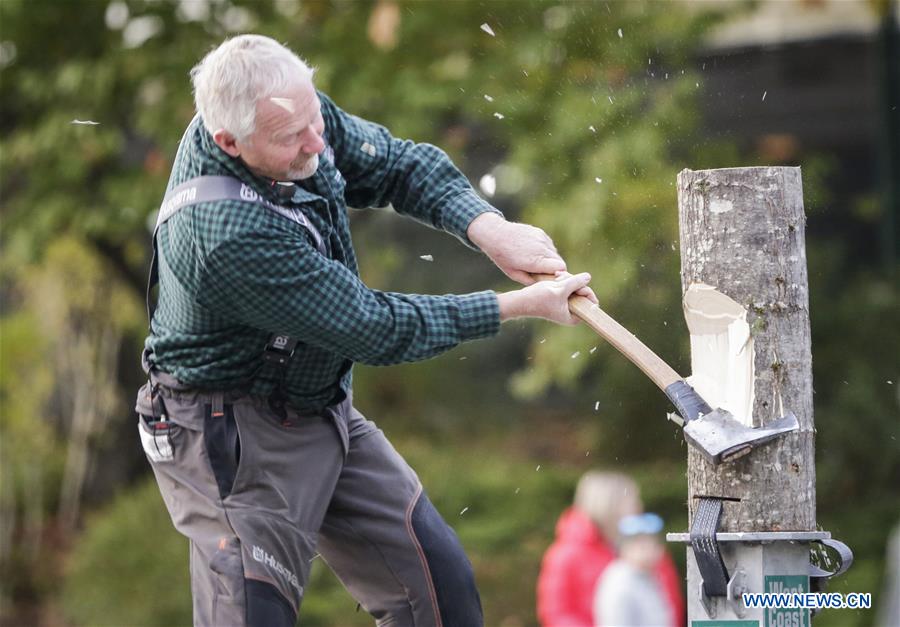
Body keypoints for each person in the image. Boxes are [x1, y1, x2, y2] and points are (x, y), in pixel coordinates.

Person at [135, 34, 597, 627]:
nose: (316, 143)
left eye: (313, 120)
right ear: (229, 140)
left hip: (317, 403)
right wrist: (517, 306)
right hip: (227, 434)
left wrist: (488, 229)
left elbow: (401, 165)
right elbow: (373, 327)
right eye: (291, 139)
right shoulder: (224, 234)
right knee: (254, 614)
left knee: (439, 591)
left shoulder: (291, 111)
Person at [536, 471, 684, 627]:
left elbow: (670, 603)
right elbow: (557, 614)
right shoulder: (566, 555)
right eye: (631, 501)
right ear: (607, 505)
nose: (639, 507)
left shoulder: (650, 549)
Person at [593, 513, 673, 627]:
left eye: (654, 542)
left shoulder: (649, 577)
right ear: (624, 546)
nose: (651, 549)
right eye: (641, 543)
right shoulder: (619, 583)